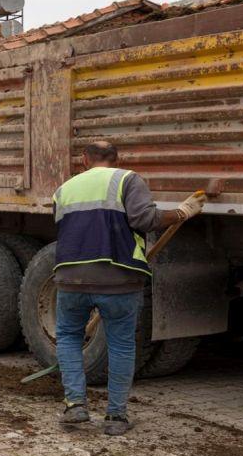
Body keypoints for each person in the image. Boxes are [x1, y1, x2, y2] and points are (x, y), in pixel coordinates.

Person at [52, 141, 205, 436]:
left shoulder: (64, 188)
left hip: (71, 278)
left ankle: (75, 406)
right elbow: (145, 220)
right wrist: (183, 212)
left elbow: (64, 228)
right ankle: (116, 417)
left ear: (84, 160)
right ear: (116, 159)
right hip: (118, 277)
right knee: (121, 345)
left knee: (69, 338)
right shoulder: (127, 179)